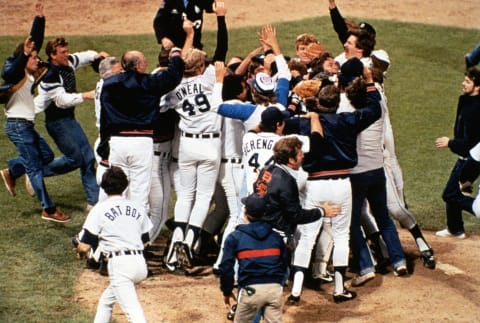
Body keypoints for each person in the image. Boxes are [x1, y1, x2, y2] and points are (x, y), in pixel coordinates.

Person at [161, 1, 228, 271]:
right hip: (210, 146)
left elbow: (179, 69)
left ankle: (174, 244)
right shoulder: (210, 77)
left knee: (185, 197)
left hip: (186, 146)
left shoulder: (174, 86)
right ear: (202, 67)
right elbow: (221, 50)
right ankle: (189, 242)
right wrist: (221, 19)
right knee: (202, 199)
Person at [0, 2, 69, 223]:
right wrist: (25, 54)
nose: (37, 60)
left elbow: (34, 44)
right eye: (32, 57)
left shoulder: (29, 74)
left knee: (46, 156)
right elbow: (12, 67)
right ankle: (48, 209)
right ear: (23, 57)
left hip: (25, 125)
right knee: (34, 167)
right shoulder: (13, 70)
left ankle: (12, 170)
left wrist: (39, 21)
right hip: (18, 125)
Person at [74, 166, 152, 323]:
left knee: (134, 314)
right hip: (140, 265)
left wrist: (81, 253)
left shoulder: (99, 209)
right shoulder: (137, 207)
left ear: (103, 186)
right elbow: (146, 242)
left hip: (120, 267)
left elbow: (84, 245)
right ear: (125, 185)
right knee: (105, 302)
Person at [34, 37, 103, 211]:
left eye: (67, 51)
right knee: (75, 159)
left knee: (87, 158)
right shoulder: (49, 75)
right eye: (63, 52)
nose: (67, 55)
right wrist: (84, 95)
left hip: (69, 120)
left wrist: (98, 55)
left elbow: (85, 56)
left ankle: (93, 202)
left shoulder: (69, 62)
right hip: (57, 123)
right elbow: (61, 101)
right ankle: (35, 172)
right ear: (52, 55)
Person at [219, 192, 289, 323]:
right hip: (274, 289)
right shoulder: (276, 237)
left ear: (245, 212)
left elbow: (226, 268)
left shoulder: (235, 237)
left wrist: (226, 290)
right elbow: (285, 263)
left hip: (250, 290)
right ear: (264, 214)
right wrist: (279, 284)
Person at [435, 67, 480, 239]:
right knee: (454, 191)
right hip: (468, 156)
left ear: (478, 87)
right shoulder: (467, 100)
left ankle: (476, 207)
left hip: (472, 159)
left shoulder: (475, 109)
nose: (463, 83)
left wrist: (450, 143)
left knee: (450, 194)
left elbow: (470, 143)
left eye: (468, 81)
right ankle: (455, 229)